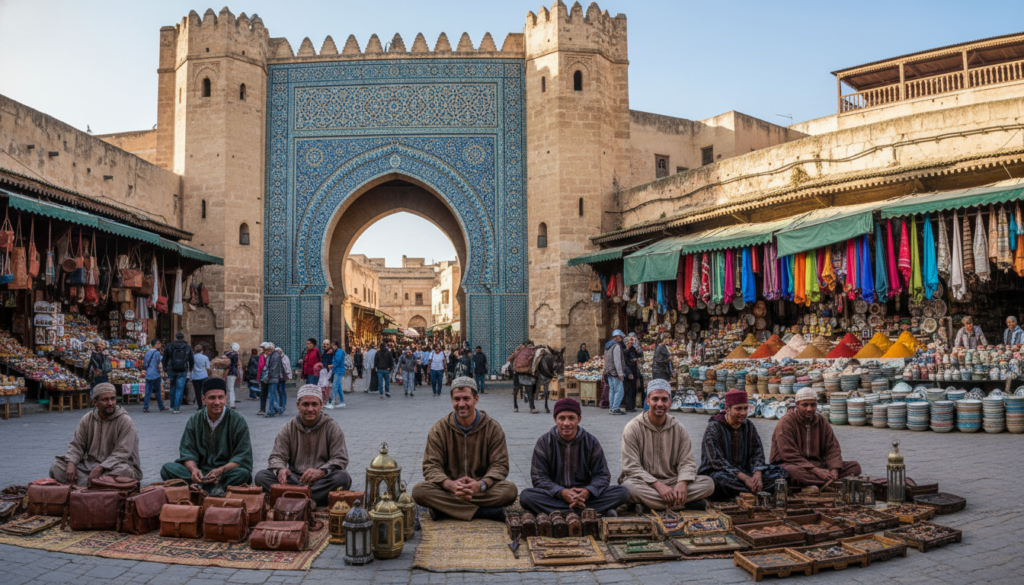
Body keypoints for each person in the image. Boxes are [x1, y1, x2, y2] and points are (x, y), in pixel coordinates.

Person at [412, 377, 517, 521]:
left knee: (509, 490)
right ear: (452, 400)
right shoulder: (439, 430)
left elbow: (500, 465)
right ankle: (484, 512)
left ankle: (446, 510)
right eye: (457, 399)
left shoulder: (493, 428)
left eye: (466, 399)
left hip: (480, 489)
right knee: (419, 491)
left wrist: (480, 485)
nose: (461, 404)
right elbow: (431, 466)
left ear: (476, 399)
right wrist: (451, 485)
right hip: (450, 489)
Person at [520, 398, 629, 516]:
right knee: (526, 496)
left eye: (571, 418)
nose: (566, 423)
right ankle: (589, 511)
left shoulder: (590, 441)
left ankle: (562, 512)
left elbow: (602, 474)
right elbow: (538, 477)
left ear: (579, 419)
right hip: (555, 496)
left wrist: (588, 491)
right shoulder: (544, 442)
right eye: (562, 418)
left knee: (622, 492)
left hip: (584, 497)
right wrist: (561, 492)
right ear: (555, 420)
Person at [619, 380, 714, 510]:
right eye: (655, 399)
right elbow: (631, 467)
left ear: (670, 402)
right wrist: (657, 485)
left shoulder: (678, 428)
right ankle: (682, 503)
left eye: (664, 399)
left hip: (672, 481)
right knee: (628, 488)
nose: (660, 404)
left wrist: (682, 482)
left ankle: (649, 505)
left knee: (708, 483)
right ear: (648, 401)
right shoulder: (633, 428)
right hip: (645, 483)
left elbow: (687, 462)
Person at [254, 385, 352, 507]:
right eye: (305, 404)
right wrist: (281, 469)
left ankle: (293, 498)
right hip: (294, 480)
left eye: (314, 404)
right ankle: (309, 499)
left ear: (321, 405)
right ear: (298, 406)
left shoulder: (332, 428)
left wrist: (322, 471)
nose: (310, 409)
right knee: (261, 476)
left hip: (320, 481)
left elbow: (340, 458)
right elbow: (276, 456)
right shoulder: (288, 428)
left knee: (343, 477)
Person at [159, 378, 254, 497]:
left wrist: (221, 470)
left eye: (220, 397)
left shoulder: (238, 421)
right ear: (203, 399)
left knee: (243, 474)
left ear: (226, 398)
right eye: (212, 398)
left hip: (224, 473)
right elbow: (187, 452)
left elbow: (242, 456)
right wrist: (194, 470)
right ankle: (211, 489)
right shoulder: (195, 420)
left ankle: (201, 488)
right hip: (200, 472)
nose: (217, 402)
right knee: (167, 469)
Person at [49, 383, 142, 486]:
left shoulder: (124, 420)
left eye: (113, 398)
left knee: (125, 472)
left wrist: (101, 467)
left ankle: (87, 484)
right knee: (57, 467)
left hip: (115, 466)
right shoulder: (87, 419)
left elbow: (122, 452)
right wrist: (71, 463)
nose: (110, 403)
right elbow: (77, 445)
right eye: (105, 400)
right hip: (89, 467)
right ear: (95, 402)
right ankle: (95, 484)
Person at [701, 389, 788, 499]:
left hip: (746, 471)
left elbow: (758, 453)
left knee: (780, 473)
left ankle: (749, 490)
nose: (743, 413)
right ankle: (755, 490)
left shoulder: (748, 426)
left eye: (745, 408)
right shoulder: (714, 428)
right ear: (728, 409)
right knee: (718, 481)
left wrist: (757, 473)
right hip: (723, 473)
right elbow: (717, 461)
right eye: (738, 409)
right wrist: (744, 478)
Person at [770, 388, 861, 488]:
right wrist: (816, 471)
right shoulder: (786, 422)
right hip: (792, 464)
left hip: (817, 464)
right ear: (797, 405)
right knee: (794, 473)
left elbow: (832, 448)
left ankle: (822, 481)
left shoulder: (821, 421)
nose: (809, 409)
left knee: (854, 467)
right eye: (805, 405)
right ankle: (827, 483)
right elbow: (788, 454)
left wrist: (834, 470)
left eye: (813, 405)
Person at [162, 332, 195, 414]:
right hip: (182, 370)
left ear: (176, 337)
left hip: (171, 369)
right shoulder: (187, 347)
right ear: (183, 337)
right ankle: (176, 408)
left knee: (172, 387)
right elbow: (191, 358)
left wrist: (165, 368)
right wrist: (191, 368)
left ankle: (172, 405)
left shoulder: (170, 346)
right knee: (180, 389)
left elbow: (165, 358)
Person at [603, 330, 627, 415]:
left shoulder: (608, 346)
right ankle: (615, 408)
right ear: (616, 337)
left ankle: (612, 408)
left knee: (612, 391)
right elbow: (617, 361)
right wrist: (620, 374)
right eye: (620, 337)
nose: (621, 339)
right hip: (614, 372)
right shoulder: (616, 346)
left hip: (609, 372)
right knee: (619, 391)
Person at [143, 339, 168, 413]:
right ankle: (161, 407)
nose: (160, 344)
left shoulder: (147, 353)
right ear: (154, 345)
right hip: (156, 374)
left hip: (148, 374)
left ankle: (145, 407)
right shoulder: (157, 353)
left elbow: (145, 364)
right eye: (158, 343)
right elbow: (160, 362)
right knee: (158, 391)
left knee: (148, 391)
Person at [261, 343, 284, 418]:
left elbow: (273, 368)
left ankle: (271, 411)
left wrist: (267, 376)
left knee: (271, 395)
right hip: (272, 378)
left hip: (273, 378)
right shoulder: (271, 355)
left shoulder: (275, 356)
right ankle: (278, 409)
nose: (266, 351)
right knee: (273, 394)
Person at [623, 336, 642, 413]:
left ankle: (632, 406)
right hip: (629, 372)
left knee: (633, 389)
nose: (632, 341)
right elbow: (625, 362)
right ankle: (629, 406)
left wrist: (637, 355)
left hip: (634, 371)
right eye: (631, 340)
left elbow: (638, 356)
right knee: (629, 389)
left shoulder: (633, 349)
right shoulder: (625, 351)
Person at [191, 344, 210, 411]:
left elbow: (190, 367)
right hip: (204, 375)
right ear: (202, 350)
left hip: (195, 376)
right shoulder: (205, 357)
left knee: (197, 392)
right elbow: (208, 367)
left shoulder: (192, 357)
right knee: (205, 391)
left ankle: (200, 405)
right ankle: (205, 403)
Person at [330, 342, 347, 408]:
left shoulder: (338, 352)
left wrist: (332, 366)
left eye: (333, 345)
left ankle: (333, 402)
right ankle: (342, 402)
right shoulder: (339, 351)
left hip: (338, 370)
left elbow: (337, 361)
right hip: (338, 370)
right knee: (339, 387)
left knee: (335, 386)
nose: (332, 347)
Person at [277, 347, 292, 411]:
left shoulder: (285, 357)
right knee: (279, 391)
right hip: (277, 377)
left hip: (282, 377)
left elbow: (287, 367)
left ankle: (283, 404)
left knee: (282, 390)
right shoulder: (275, 357)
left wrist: (288, 375)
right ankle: (280, 404)